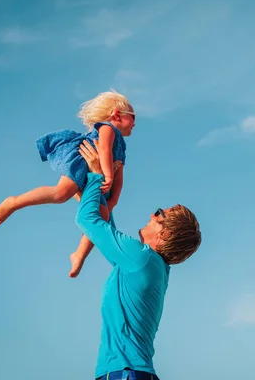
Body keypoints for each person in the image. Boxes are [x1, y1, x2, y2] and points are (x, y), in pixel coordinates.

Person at [76, 139, 201, 380]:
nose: (151, 214)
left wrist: (94, 175)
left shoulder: (141, 260)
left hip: (125, 373)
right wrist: (103, 187)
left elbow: (87, 221)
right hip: (129, 372)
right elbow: (102, 225)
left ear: (164, 234)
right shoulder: (151, 267)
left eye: (159, 214)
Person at [0, 89, 136, 277]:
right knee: (62, 193)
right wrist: (107, 175)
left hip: (98, 178)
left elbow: (120, 172)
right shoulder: (107, 128)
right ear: (117, 114)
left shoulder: (122, 146)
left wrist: (114, 198)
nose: (134, 124)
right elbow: (104, 150)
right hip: (82, 161)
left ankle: (79, 254)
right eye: (133, 117)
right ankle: (14, 201)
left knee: (101, 215)